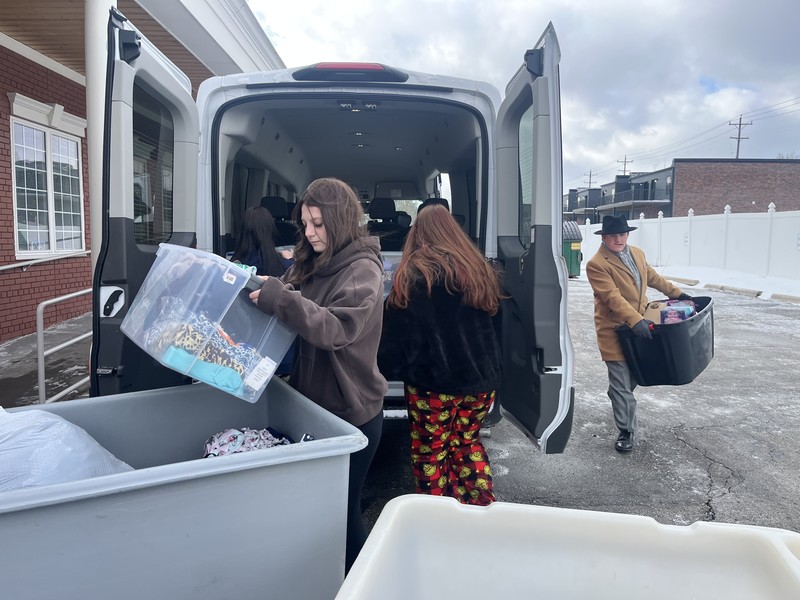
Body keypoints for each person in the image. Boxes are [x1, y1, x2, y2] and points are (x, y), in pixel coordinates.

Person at [247, 178, 387, 572]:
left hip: (351, 412)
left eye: (318, 224)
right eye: (305, 224)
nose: (309, 232)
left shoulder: (362, 270)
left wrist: (281, 299)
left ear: (340, 220)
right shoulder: (316, 260)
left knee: (342, 514)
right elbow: (289, 293)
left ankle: (366, 583)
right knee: (321, 513)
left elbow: (337, 329)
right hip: (314, 405)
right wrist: (265, 287)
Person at [378, 204, 502, 506]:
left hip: (435, 387)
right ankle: (482, 507)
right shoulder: (478, 270)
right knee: (467, 444)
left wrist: (383, 370)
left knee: (431, 454)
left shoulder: (414, 276)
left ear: (418, 234)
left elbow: (400, 339)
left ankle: (436, 516)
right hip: (481, 383)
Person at [586, 214, 692, 453]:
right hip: (614, 329)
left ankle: (618, 393)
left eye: (622, 234)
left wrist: (678, 294)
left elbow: (653, 278)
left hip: (639, 324)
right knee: (621, 378)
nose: (619, 239)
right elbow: (612, 298)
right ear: (604, 238)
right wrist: (635, 320)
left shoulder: (637, 253)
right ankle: (627, 431)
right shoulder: (597, 264)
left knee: (632, 376)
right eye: (613, 235)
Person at [231, 206, 293, 277]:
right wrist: (291, 259)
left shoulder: (236, 266)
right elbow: (296, 274)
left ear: (243, 232)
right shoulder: (282, 265)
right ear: (270, 231)